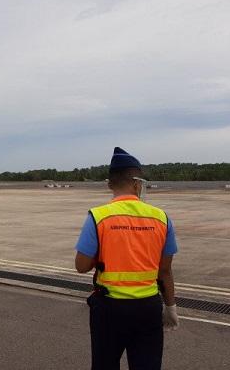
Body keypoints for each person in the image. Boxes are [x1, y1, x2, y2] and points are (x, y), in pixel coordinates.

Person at [75, 147, 179, 370]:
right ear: (136, 183)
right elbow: (165, 271)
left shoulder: (98, 216)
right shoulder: (161, 218)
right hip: (148, 308)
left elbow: (81, 266)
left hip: (109, 309)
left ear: (110, 184)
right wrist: (170, 306)